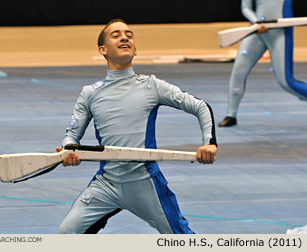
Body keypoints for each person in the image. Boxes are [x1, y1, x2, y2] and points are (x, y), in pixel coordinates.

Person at [55, 19, 217, 234]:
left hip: (146, 184)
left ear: (135, 48)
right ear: (102, 49)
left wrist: (209, 143)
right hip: (106, 186)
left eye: (129, 35)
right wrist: (69, 150)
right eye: (116, 35)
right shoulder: (90, 93)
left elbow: (201, 107)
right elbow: (71, 136)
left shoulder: (152, 86)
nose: (124, 37)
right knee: (65, 235)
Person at [219, 0, 307, 127]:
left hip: (280, 32)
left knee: (286, 82)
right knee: (238, 71)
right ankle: (231, 114)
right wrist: (256, 22)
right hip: (257, 32)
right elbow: (245, 8)